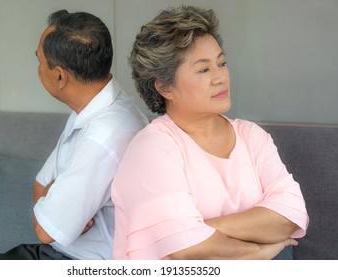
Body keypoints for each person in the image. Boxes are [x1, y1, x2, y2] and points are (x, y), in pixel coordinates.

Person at [111, 5, 309, 260]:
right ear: (164, 87)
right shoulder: (152, 149)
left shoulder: (252, 136)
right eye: (204, 69)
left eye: (222, 63)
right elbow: (190, 252)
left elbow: (291, 214)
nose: (221, 78)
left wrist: (199, 230)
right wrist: (262, 251)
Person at [0, 10, 148, 260]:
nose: (38, 68)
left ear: (59, 76)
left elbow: (45, 230)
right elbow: (39, 185)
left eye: (39, 61)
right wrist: (56, 203)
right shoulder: (94, 108)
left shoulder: (103, 136)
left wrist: (55, 200)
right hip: (55, 253)